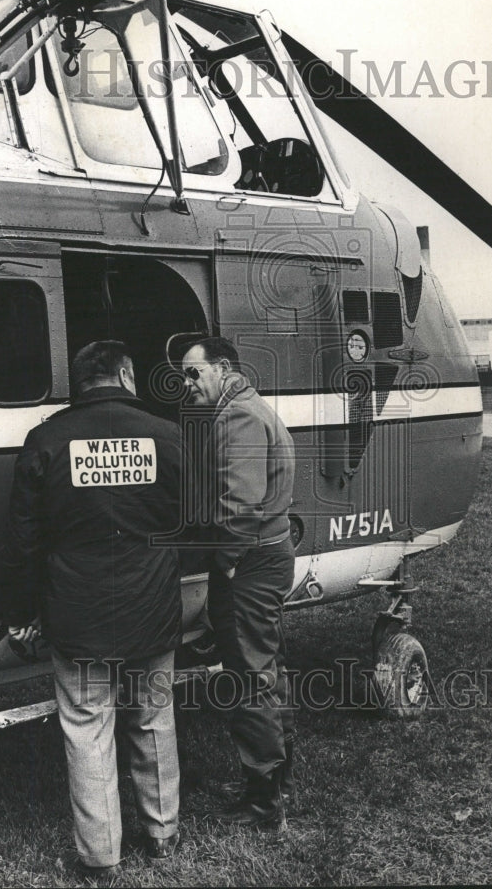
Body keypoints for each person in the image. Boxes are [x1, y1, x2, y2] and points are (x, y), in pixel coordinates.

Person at [0, 341, 183, 875]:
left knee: (87, 727)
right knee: (153, 719)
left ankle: (101, 857)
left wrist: (20, 612)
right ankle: (163, 834)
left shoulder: (45, 439)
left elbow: (23, 540)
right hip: (151, 606)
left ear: (78, 382)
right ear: (126, 375)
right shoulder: (169, 435)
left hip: (77, 613)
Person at [181, 336, 296, 830]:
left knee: (251, 677)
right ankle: (271, 779)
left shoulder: (238, 416)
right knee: (264, 669)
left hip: (249, 564)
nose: (187, 385)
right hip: (264, 558)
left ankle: (263, 803)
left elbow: (241, 505)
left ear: (223, 368)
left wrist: (226, 564)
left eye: (194, 373)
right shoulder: (250, 406)